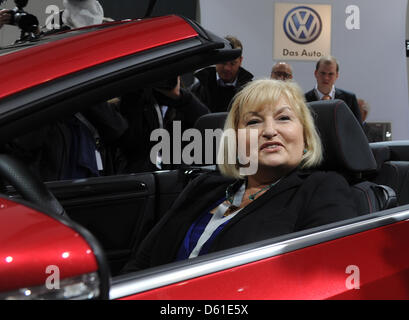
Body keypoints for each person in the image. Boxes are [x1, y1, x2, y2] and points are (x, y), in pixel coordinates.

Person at [122, 79, 358, 272]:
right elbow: (141, 263)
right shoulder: (202, 186)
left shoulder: (323, 189)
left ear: (305, 137)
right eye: (254, 121)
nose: (269, 131)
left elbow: (323, 279)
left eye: (283, 118)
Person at [117, 76, 210, 173]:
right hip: (144, 174)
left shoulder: (186, 102)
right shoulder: (136, 101)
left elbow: (208, 127)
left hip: (176, 175)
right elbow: (130, 141)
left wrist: (179, 97)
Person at [190, 35, 254, 112]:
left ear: (240, 61)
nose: (227, 68)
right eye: (223, 62)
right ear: (215, 59)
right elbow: (179, 119)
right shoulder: (198, 89)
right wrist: (176, 125)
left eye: (233, 63)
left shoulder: (251, 92)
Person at [304, 56, 362, 124]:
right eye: (323, 73)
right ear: (316, 73)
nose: (326, 78)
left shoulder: (349, 99)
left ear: (337, 75)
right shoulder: (303, 100)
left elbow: (358, 130)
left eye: (330, 74)